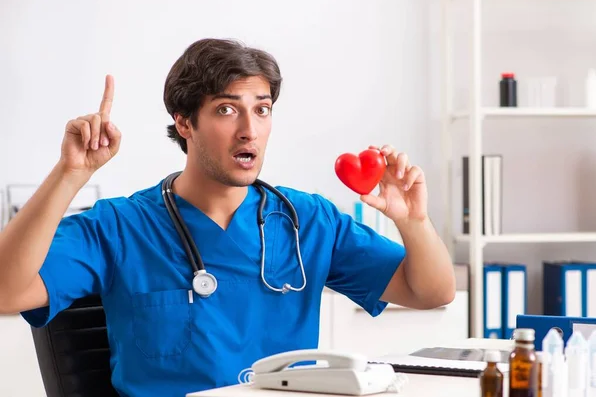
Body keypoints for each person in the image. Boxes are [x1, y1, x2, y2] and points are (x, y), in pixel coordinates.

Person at [0, 38, 455, 397]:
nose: (249, 128)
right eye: (225, 109)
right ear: (184, 123)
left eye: (261, 109)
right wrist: (69, 173)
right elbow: (6, 292)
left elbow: (431, 291)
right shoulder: (118, 227)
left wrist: (412, 220)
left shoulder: (307, 221)